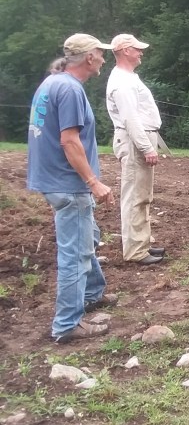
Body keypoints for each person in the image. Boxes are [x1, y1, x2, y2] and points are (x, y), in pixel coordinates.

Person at [27, 33, 118, 343]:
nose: (103, 58)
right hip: (69, 183)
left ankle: (93, 293)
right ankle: (67, 323)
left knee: (87, 236)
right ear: (89, 57)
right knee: (75, 254)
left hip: (52, 179)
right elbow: (69, 141)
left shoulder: (52, 83)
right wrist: (93, 181)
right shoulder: (70, 89)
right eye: (100, 53)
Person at [106, 34, 166, 266]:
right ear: (125, 51)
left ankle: (142, 243)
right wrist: (146, 147)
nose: (141, 52)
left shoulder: (128, 78)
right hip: (134, 143)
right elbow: (130, 119)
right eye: (137, 48)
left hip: (137, 140)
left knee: (142, 195)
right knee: (135, 197)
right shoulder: (122, 82)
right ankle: (135, 251)